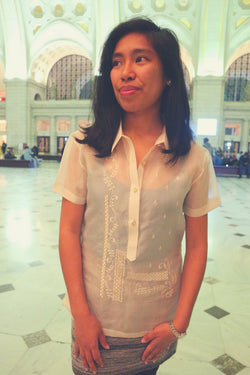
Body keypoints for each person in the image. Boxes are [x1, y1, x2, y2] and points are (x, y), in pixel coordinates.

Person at [53, 17, 221, 375]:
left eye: (140, 59)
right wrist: (81, 317)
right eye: (116, 62)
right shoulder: (85, 144)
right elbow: (68, 233)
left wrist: (179, 324)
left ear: (169, 75)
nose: (125, 72)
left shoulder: (194, 158)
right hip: (94, 325)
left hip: (154, 328)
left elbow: (197, 246)